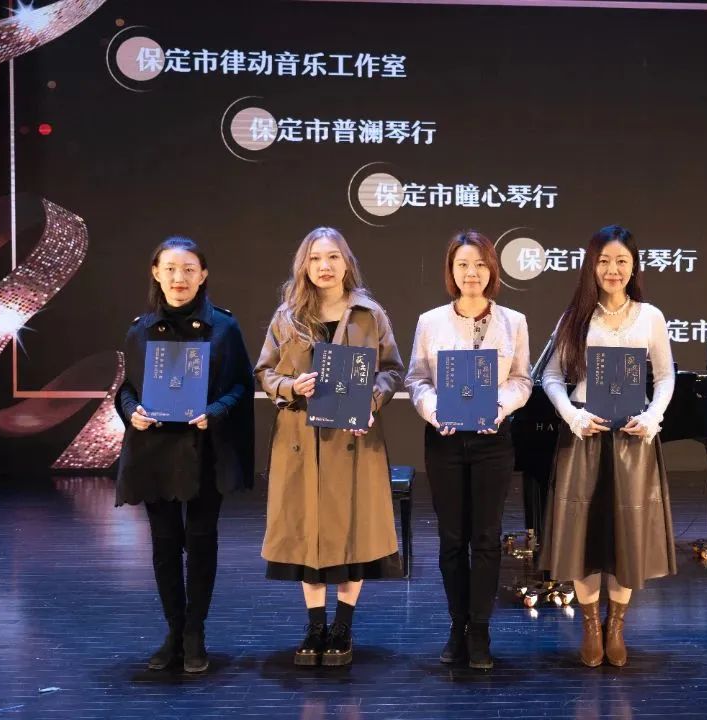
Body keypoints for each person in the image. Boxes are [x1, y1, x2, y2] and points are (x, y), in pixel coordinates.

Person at [255, 226, 404, 667]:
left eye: (333, 257)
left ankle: (342, 626)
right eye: (316, 258)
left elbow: (392, 370)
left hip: (352, 439)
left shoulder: (369, 314)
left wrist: (371, 402)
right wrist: (291, 386)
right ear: (304, 265)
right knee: (308, 536)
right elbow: (264, 373)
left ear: (346, 262)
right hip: (300, 441)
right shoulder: (287, 316)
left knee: (353, 533)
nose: (324, 266)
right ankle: (315, 625)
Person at [114, 236, 254, 674]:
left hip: (204, 451)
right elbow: (127, 389)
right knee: (164, 545)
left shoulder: (224, 328)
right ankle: (173, 631)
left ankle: (196, 632)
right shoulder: (140, 330)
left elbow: (242, 385)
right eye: (171, 269)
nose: (180, 278)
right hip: (154, 452)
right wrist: (131, 412)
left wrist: (215, 411)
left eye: (189, 269)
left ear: (203, 275)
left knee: (201, 541)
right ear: (156, 273)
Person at [539, 224, 676, 668]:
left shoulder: (650, 316)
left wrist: (653, 416)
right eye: (603, 261)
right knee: (583, 535)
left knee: (626, 536)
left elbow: (665, 377)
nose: (612, 269)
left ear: (633, 266)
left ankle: (616, 626)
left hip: (632, 441)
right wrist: (572, 414)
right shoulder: (575, 317)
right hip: (586, 436)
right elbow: (552, 376)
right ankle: (590, 626)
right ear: (591, 266)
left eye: (621, 260)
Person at [404, 230, 532, 670]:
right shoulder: (430, 321)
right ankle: (456, 624)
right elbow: (416, 379)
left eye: (479, 264)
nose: (471, 273)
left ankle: (480, 629)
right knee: (452, 539)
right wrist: (433, 408)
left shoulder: (513, 321)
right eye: (462, 265)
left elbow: (522, 380)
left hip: (492, 440)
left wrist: (500, 405)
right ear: (451, 271)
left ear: (491, 269)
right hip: (445, 440)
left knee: (487, 537)